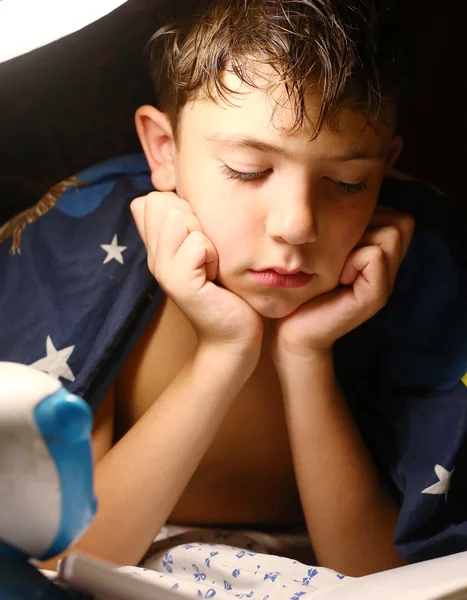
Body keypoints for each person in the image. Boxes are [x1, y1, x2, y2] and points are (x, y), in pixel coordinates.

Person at [1, 0, 467, 581]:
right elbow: (59, 557)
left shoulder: (431, 275)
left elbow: (396, 580)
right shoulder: (76, 253)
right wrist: (223, 354)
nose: (297, 224)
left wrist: (304, 356)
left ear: (385, 167)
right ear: (164, 150)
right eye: (249, 170)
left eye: (348, 182)